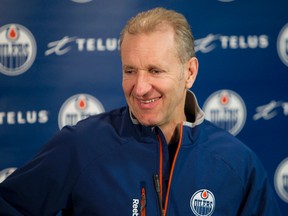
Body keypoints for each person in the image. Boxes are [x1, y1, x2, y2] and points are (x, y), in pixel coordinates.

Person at [0, 7, 281, 216]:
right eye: (130, 71)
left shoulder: (237, 163)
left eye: (155, 70)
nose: (140, 87)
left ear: (190, 72)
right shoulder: (81, 145)